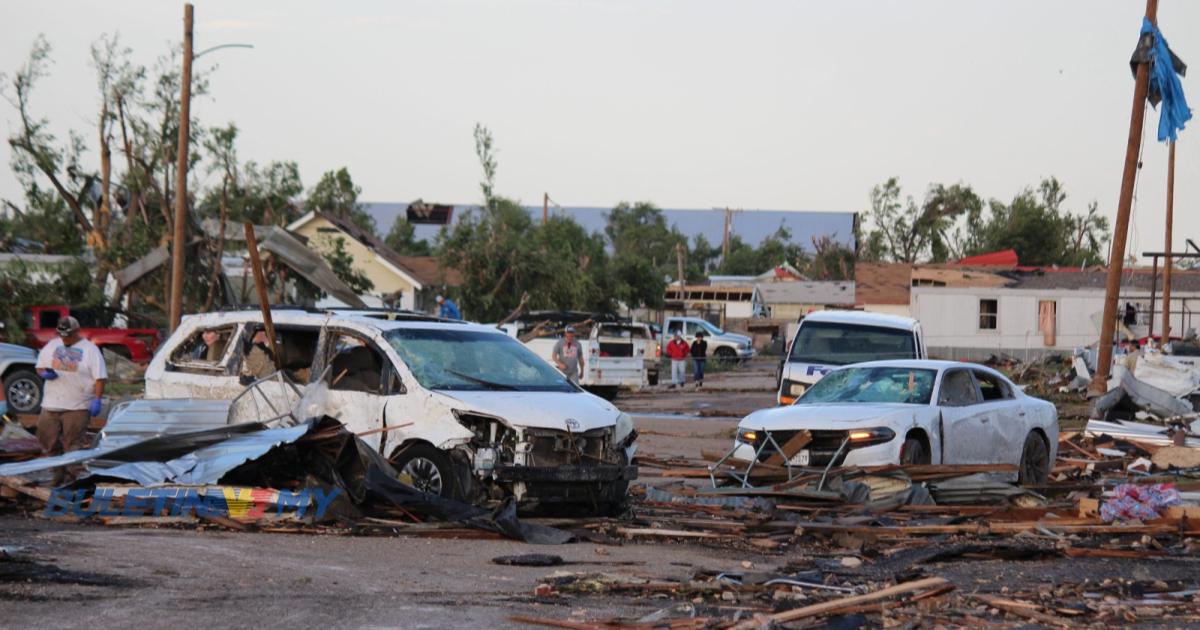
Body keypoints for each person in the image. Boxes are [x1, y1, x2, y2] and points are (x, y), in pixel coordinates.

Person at [34, 316, 106, 485]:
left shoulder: (90, 350)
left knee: (73, 443)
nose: (65, 339)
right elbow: (39, 366)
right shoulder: (52, 345)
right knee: (46, 437)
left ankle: (71, 477)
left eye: (68, 336)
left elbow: (100, 378)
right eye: (62, 335)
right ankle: (57, 471)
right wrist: (44, 374)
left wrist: (97, 399)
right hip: (51, 402)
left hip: (78, 404)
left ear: (76, 332)